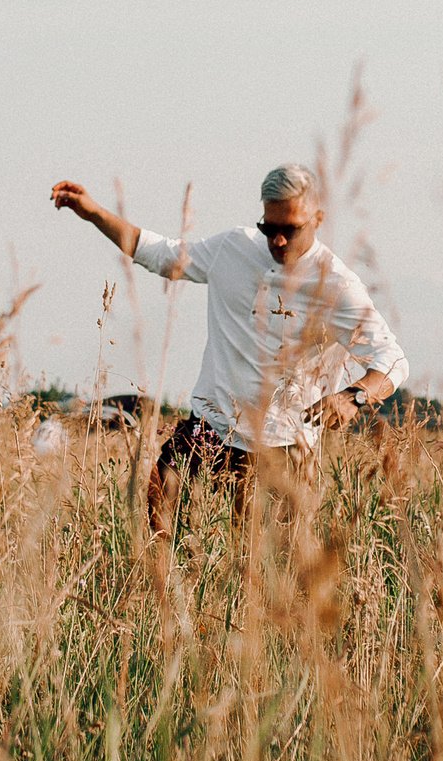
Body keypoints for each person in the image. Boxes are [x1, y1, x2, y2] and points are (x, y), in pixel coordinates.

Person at [51, 164, 408, 529]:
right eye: (269, 229)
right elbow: (161, 255)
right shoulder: (232, 248)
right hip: (208, 427)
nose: (278, 241)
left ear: (318, 219)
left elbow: (392, 360)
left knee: (255, 566)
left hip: (282, 446)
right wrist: (93, 213)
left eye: (290, 229)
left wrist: (353, 396)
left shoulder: (336, 286)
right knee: (156, 518)